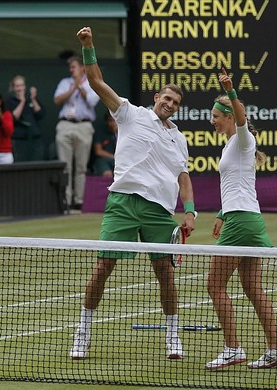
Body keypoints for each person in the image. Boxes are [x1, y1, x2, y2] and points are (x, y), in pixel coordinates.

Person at [69, 27, 196, 360]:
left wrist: (191, 210)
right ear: (156, 98)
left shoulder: (178, 138)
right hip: (123, 203)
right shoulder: (129, 113)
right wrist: (89, 46)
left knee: (165, 274)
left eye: (176, 102)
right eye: (166, 98)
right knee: (103, 267)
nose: (170, 104)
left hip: (158, 211)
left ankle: (172, 335)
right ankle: (83, 331)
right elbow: (96, 81)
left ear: (177, 108)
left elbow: (183, 177)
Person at [205, 70, 277, 370]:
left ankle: (232, 349)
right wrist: (220, 214)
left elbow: (241, 117)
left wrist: (231, 90)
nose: (212, 121)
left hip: (242, 222)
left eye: (216, 116)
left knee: (214, 285)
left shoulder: (244, 139)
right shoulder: (231, 146)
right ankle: (276, 350)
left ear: (229, 116)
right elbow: (235, 185)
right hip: (246, 219)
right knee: (253, 288)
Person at [53, 55, 100, 210]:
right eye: (70, 67)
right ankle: (65, 200)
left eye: (74, 67)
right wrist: (73, 88)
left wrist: (80, 86)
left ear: (82, 68)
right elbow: (57, 100)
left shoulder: (92, 83)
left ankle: (78, 201)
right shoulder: (65, 82)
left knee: (81, 166)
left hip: (83, 126)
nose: (71, 70)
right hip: (65, 124)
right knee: (65, 165)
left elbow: (93, 101)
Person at [6, 74, 44, 162]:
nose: (20, 88)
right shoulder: (9, 101)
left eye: (22, 85)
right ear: (13, 87)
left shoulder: (30, 99)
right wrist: (22, 101)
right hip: (19, 140)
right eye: (17, 86)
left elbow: (40, 114)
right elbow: (14, 117)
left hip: (35, 138)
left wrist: (33, 99)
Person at [92, 112, 117, 177]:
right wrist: (113, 156)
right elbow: (98, 151)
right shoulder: (100, 132)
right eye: (111, 121)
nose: (113, 123)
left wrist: (116, 133)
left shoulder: (123, 132)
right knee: (108, 175)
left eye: (115, 121)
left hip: (120, 161)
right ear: (106, 121)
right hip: (104, 160)